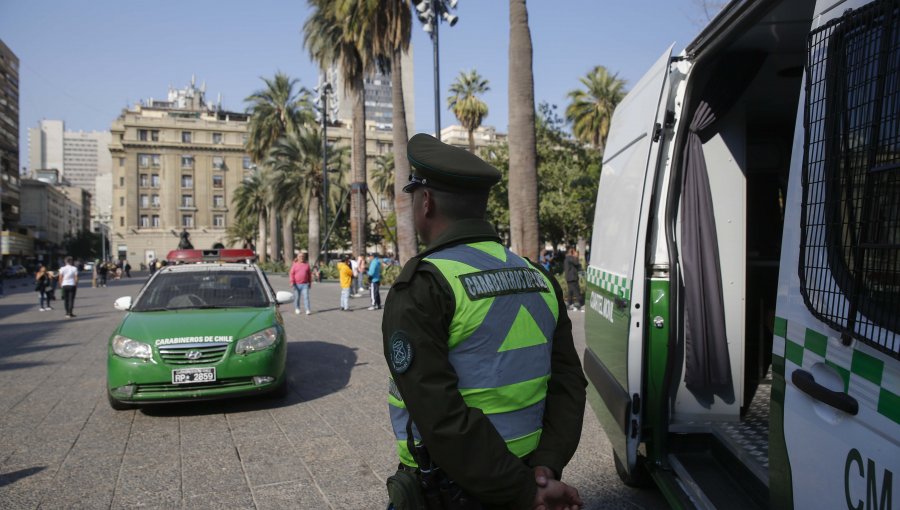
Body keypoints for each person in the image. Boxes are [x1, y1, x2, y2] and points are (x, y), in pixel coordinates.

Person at [382, 133, 586, 510]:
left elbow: (438, 413)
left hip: (452, 490)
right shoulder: (538, 277)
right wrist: (544, 468)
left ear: (425, 202)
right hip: (529, 474)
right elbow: (569, 382)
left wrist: (524, 491)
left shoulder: (425, 284)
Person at [563, 248, 584, 312]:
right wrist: (576, 257)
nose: (576, 254)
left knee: (570, 292)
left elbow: (577, 266)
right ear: (572, 253)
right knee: (576, 291)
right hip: (572, 278)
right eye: (575, 252)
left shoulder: (567, 259)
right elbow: (577, 263)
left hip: (569, 278)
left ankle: (569, 304)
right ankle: (578, 305)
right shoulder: (570, 258)